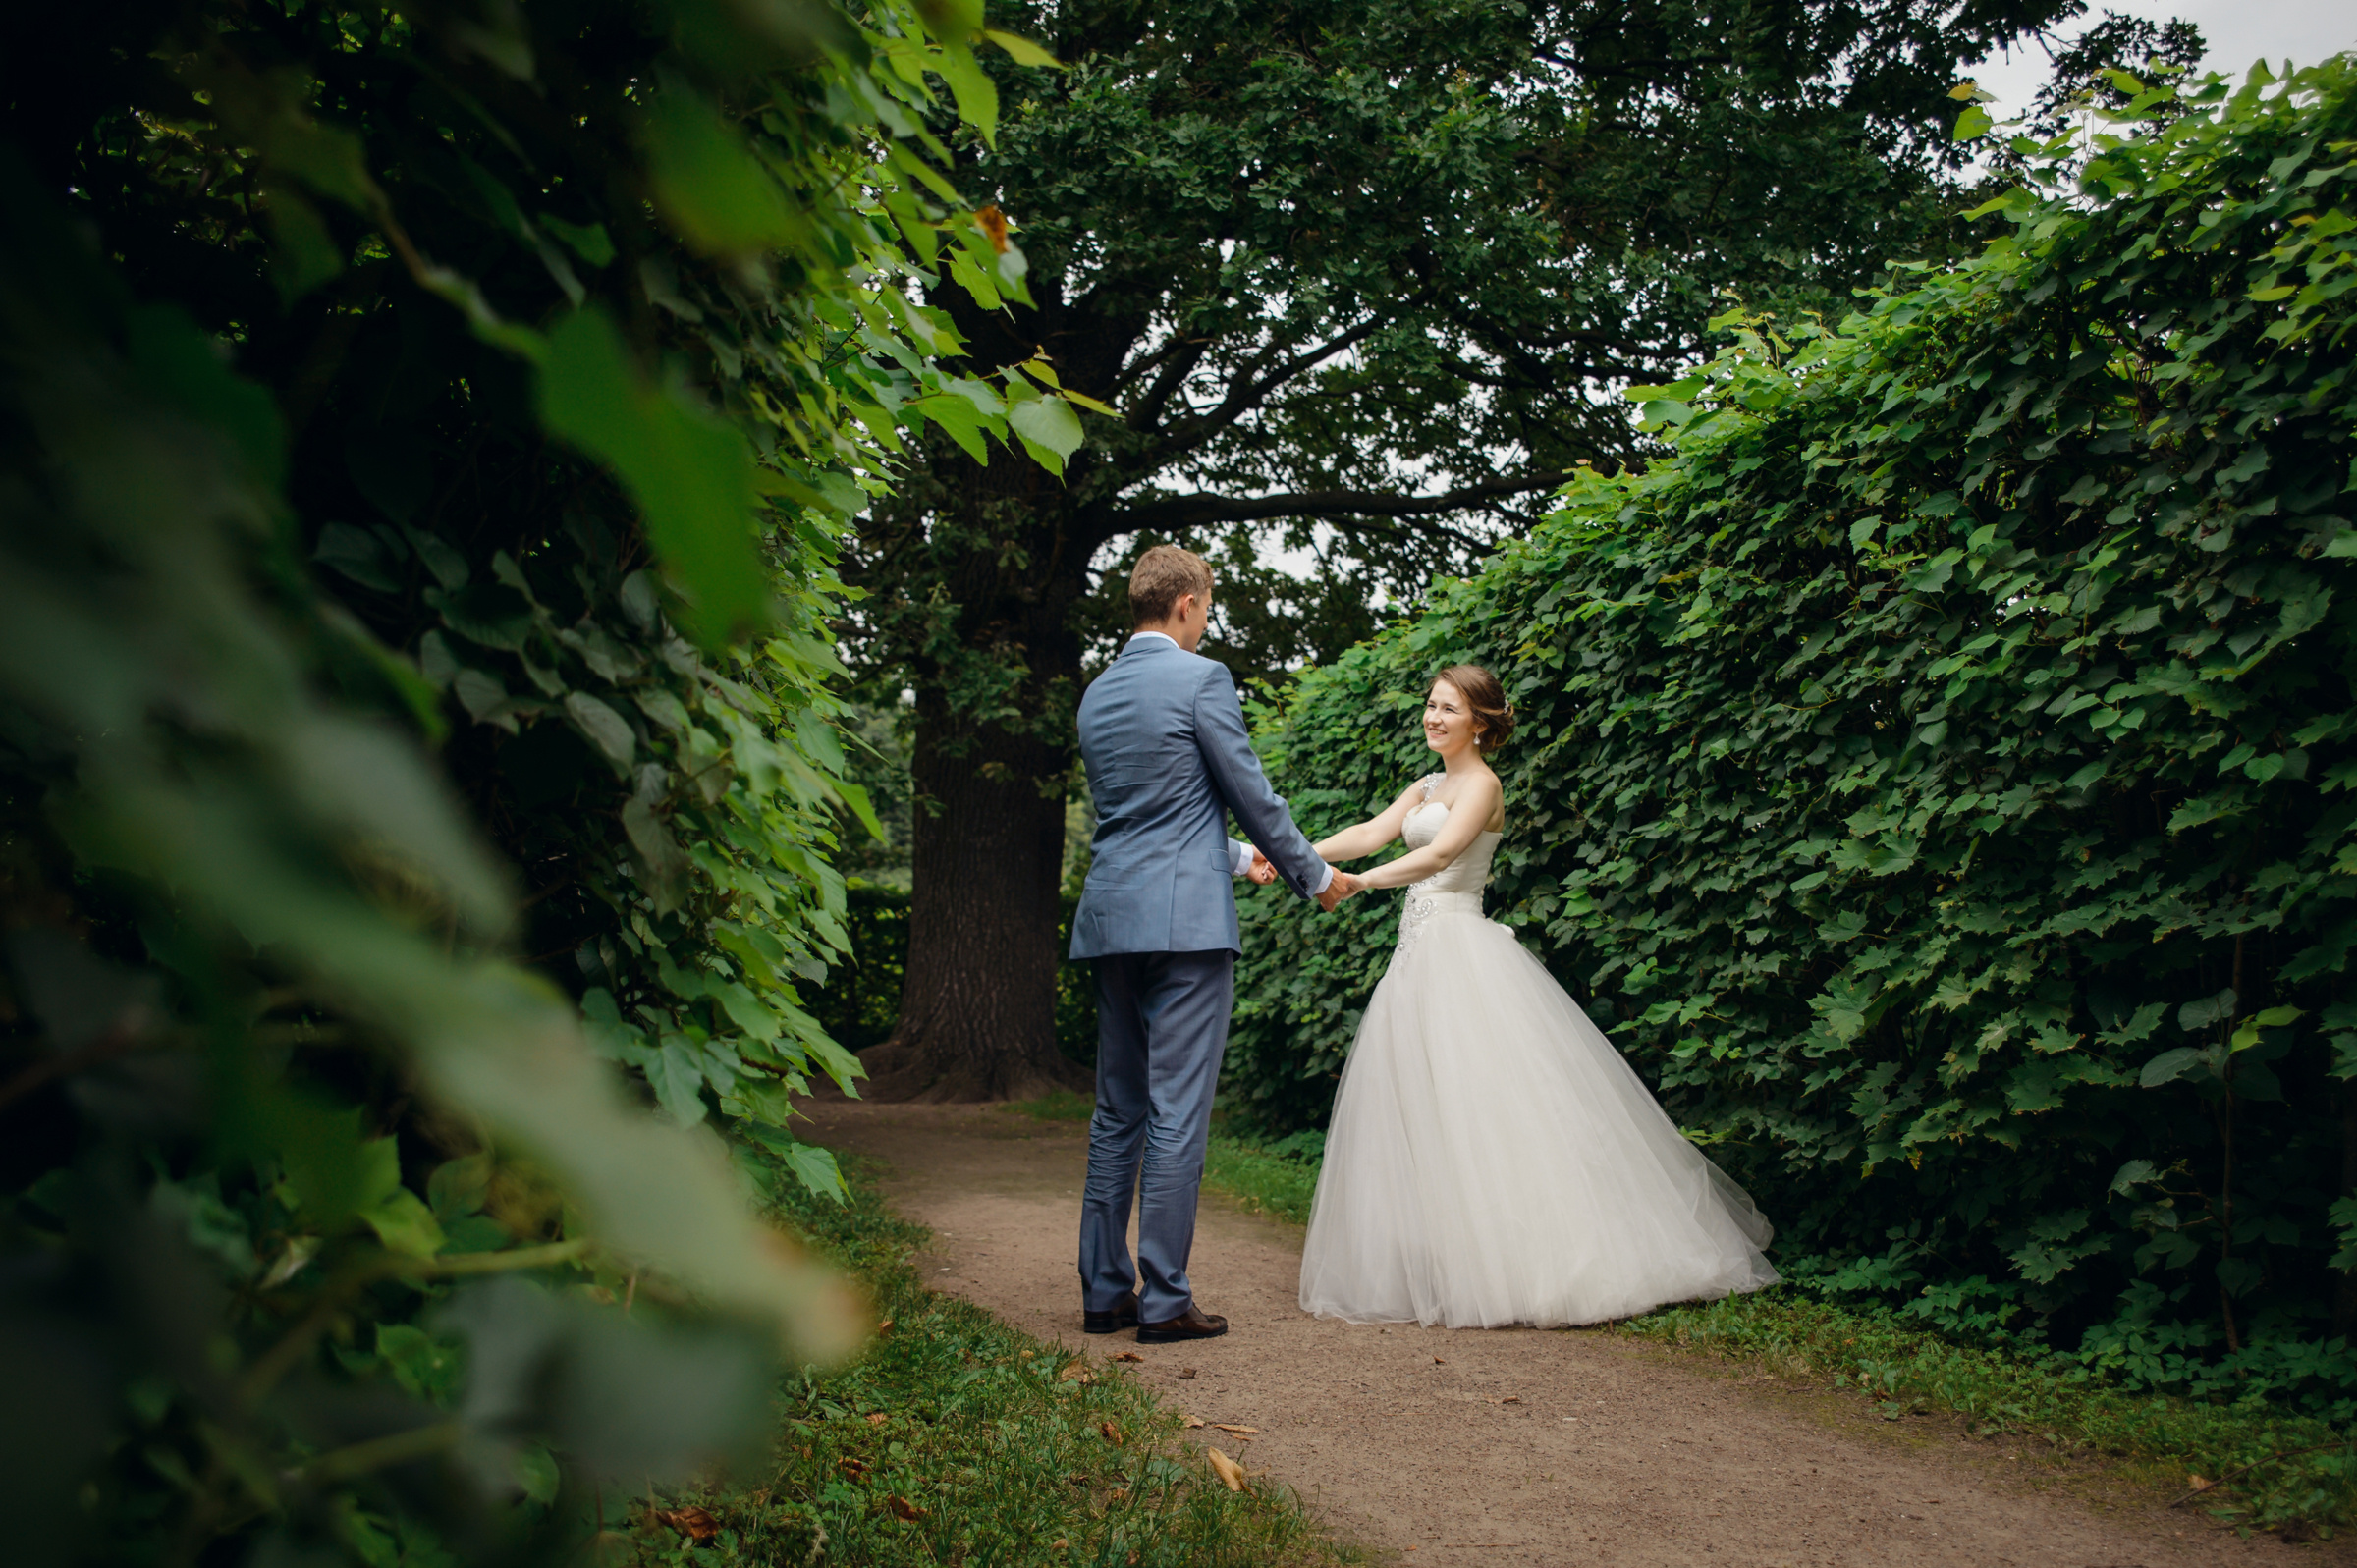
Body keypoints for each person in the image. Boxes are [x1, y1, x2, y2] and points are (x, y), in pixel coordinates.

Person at [1282, 664, 1779, 1327]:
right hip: (1416, 959)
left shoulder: (1484, 786)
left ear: (1480, 722)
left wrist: (1357, 883)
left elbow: (1438, 858)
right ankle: (1453, 1254)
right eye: (1430, 705)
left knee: (1487, 1109)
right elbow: (1373, 830)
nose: (1433, 717)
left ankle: (1531, 1256)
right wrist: (1299, 857)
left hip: (1462, 953)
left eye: (1448, 708)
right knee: (1431, 1107)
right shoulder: (1427, 783)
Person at [1069, 545, 1364, 1344]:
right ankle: (1164, 1300)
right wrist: (1314, 875)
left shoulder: (1095, 696)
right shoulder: (1203, 679)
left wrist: (1240, 860)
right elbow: (1250, 793)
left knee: (1117, 1108)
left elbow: (1149, 813)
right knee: (1177, 1111)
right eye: (1207, 608)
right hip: (1188, 928)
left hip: (1112, 920)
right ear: (1189, 603)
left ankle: (1104, 1292)